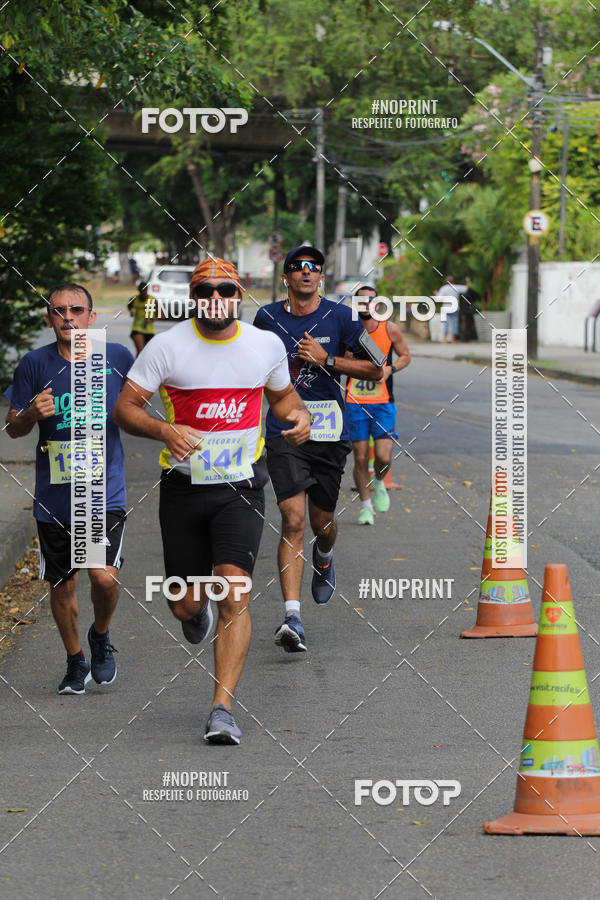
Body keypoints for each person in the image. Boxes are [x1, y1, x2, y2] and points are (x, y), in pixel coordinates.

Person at [113, 257, 310, 745]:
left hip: (240, 487)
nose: (216, 299)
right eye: (206, 291)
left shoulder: (264, 345)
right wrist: (165, 429)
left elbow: (282, 398)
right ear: (194, 297)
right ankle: (192, 612)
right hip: (182, 489)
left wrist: (299, 415)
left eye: (226, 290)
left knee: (234, 591)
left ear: (238, 294)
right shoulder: (166, 347)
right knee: (184, 602)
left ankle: (221, 709)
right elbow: (125, 407)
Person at [253, 246, 385, 654]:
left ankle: (324, 555)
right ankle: (292, 616)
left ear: (322, 278)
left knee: (321, 521)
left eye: (314, 267)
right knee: (292, 519)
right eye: (298, 267)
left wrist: (330, 360)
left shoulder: (342, 316)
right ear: (286, 279)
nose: (306, 272)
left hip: (329, 432)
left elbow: (377, 365)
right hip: (285, 429)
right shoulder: (266, 318)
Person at [4, 284, 133, 694]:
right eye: (58, 311)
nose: (67, 317)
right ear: (49, 319)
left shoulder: (114, 358)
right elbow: (11, 428)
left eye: (76, 310)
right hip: (56, 498)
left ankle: (100, 635)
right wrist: (28, 414)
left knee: (103, 577)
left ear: (91, 318)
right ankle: (76, 660)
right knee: (63, 585)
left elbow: (141, 402)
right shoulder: (34, 364)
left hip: (102, 493)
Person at [346, 285, 411, 525]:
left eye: (370, 300)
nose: (365, 304)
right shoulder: (348, 331)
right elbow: (338, 360)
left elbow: (405, 356)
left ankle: (380, 482)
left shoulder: (389, 329)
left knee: (383, 458)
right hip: (355, 401)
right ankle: (365, 506)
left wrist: (390, 369)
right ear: (355, 304)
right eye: (360, 301)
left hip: (383, 402)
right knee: (360, 458)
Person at [128, 281, 155, 356]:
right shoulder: (134, 299)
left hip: (149, 330)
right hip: (136, 328)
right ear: (139, 291)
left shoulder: (153, 300)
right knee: (141, 351)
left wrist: (151, 319)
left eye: (145, 291)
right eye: (141, 292)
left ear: (147, 290)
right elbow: (129, 305)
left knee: (146, 353)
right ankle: (136, 367)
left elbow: (162, 314)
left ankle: (140, 366)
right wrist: (131, 311)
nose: (143, 293)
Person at [438, 275, 467, 344]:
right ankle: (453, 340)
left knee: (446, 324)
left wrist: (436, 293)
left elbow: (438, 298)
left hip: (446, 308)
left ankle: (445, 339)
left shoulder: (443, 288)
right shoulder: (456, 287)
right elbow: (466, 289)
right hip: (454, 308)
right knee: (455, 323)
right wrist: (468, 281)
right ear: (453, 281)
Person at [459, 276, 479, 342]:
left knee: (469, 322)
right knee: (464, 322)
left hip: (468, 308)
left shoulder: (472, 290)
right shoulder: (462, 289)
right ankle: (464, 337)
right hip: (463, 307)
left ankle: (470, 337)